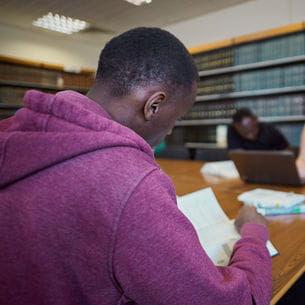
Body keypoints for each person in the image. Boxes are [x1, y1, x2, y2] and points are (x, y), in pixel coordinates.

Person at [0, 27, 272, 305]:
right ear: (154, 105)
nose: (169, 132)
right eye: (176, 118)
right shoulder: (132, 183)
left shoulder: (11, 132)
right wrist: (254, 234)